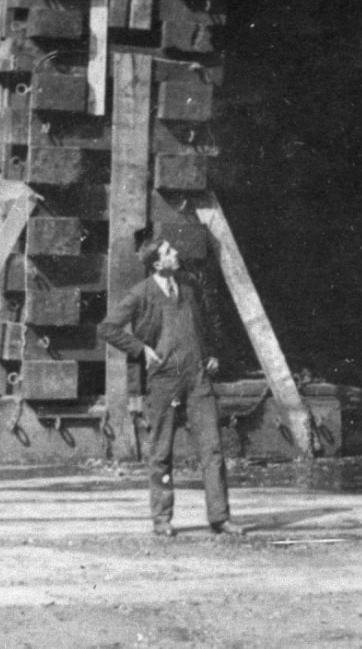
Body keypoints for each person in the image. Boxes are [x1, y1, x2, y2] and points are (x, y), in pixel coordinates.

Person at [98, 222, 240, 537]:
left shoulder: (188, 287)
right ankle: (162, 519)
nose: (175, 253)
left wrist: (211, 351)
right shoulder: (140, 294)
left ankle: (220, 517)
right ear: (156, 263)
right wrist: (141, 349)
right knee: (161, 452)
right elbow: (107, 328)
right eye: (168, 252)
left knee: (212, 449)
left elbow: (204, 323)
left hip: (198, 377)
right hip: (164, 380)